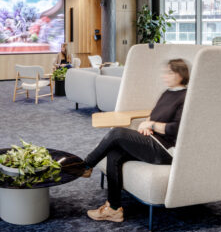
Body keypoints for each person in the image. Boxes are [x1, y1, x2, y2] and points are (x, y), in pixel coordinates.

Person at [78, 58, 190, 223]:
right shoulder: (167, 92)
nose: (164, 75)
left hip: (166, 150)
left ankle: (85, 166)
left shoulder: (186, 97)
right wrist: (147, 124)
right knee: (114, 153)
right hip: (152, 139)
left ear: (181, 75)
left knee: (117, 133)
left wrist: (151, 124)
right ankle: (114, 209)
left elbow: (176, 128)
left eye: (169, 72)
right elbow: (154, 114)